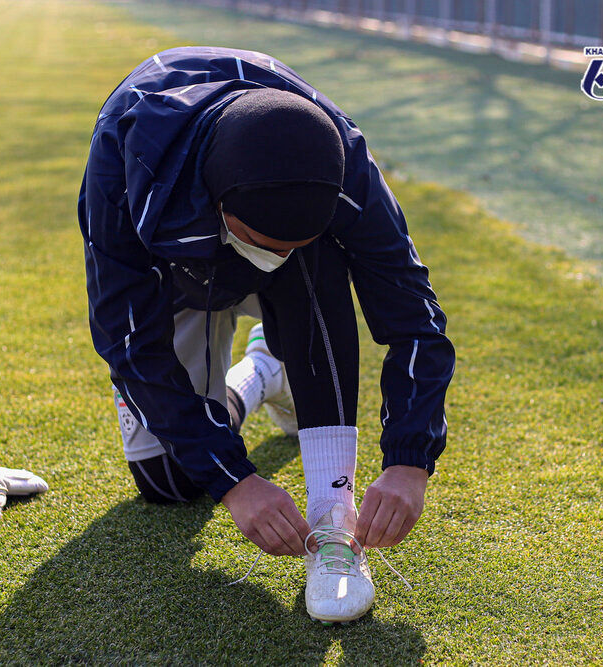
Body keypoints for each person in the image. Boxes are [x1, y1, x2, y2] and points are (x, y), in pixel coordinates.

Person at [77, 46, 455, 624]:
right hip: (180, 274)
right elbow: (129, 342)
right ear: (217, 200)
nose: (272, 259)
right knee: (172, 482)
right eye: (266, 240)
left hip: (302, 278)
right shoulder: (128, 162)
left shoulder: (343, 160)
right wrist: (236, 483)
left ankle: (334, 513)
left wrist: (411, 459)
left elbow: (415, 316)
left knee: (311, 261)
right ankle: (260, 373)